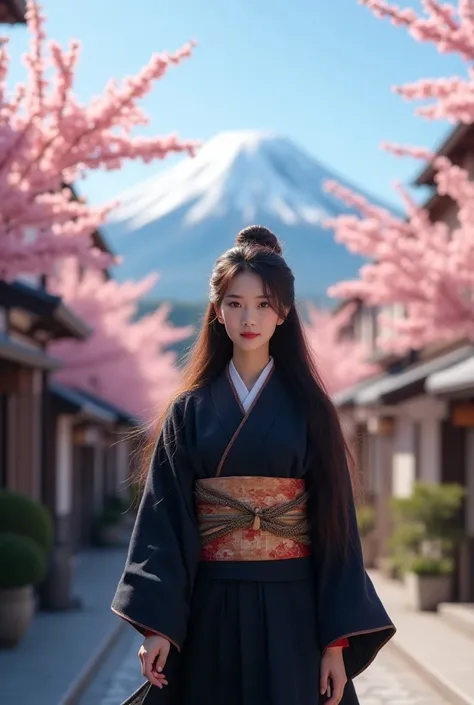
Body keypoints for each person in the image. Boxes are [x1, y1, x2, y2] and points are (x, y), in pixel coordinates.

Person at [112, 225, 396, 705]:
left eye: (264, 303)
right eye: (236, 303)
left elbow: (335, 529)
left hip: (295, 610)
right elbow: (163, 524)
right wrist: (158, 626)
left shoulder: (310, 410)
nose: (250, 317)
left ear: (284, 312)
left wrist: (335, 644)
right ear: (217, 310)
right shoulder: (189, 410)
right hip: (210, 608)